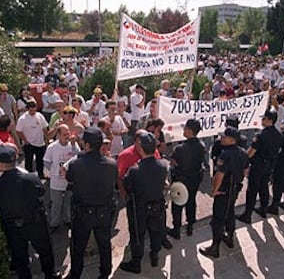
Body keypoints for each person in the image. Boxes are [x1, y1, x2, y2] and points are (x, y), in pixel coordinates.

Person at [0, 143, 60, 279]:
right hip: (35, 223)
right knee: (45, 251)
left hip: (13, 227)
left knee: (20, 257)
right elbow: (41, 192)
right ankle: (50, 275)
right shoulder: (31, 178)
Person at [66, 127, 118, 279]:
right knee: (104, 245)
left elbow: (70, 178)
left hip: (82, 214)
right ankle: (105, 272)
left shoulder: (76, 164)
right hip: (103, 212)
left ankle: (75, 274)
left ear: (87, 144)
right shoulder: (111, 163)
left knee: (78, 247)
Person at [119, 132, 168, 273]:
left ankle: (136, 263)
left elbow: (126, 185)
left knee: (137, 235)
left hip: (138, 208)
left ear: (141, 148)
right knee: (155, 232)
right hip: (157, 206)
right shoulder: (163, 165)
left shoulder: (134, 170)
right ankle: (154, 255)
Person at [199, 127, 249, 258]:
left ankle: (215, 247)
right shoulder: (243, 152)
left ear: (232, 139)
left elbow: (219, 175)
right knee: (230, 212)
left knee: (218, 219)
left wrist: (215, 190)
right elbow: (245, 171)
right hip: (235, 189)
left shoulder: (225, 154)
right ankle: (230, 238)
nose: (221, 138)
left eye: (224, 137)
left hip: (223, 191)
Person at [236, 111, 283, 224]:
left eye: (264, 119)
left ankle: (247, 214)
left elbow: (251, 152)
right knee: (264, 187)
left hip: (258, 165)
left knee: (252, 190)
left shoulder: (261, 135)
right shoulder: (279, 134)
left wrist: (244, 161)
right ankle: (263, 209)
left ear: (269, 120)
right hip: (270, 164)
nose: (262, 121)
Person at [168, 119, 205, 238]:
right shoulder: (201, 146)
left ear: (189, 131)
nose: (183, 130)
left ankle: (176, 229)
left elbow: (173, 161)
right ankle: (190, 226)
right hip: (194, 179)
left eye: (185, 128)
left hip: (181, 180)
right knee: (191, 201)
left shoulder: (180, 148)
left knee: (177, 204)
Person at [43, 125, 80, 231]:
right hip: (56, 181)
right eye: (64, 134)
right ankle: (54, 223)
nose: (67, 136)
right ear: (58, 135)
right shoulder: (52, 147)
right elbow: (46, 161)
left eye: (68, 133)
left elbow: (78, 156)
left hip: (69, 181)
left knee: (68, 201)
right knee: (56, 203)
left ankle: (67, 220)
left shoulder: (73, 145)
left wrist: (73, 145)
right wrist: (54, 171)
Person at [16, 99, 48, 178]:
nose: (33, 112)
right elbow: (18, 131)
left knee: (40, 161)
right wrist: (25, 140)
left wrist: (46, 138)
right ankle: (28, 177)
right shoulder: (22, 119)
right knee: (28, 162)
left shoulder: (39, 116)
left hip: (40, 142)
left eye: (34, 110)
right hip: (29, 143)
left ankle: (41, 174)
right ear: (27, 109)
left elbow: (45, 127)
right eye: (31, 110)